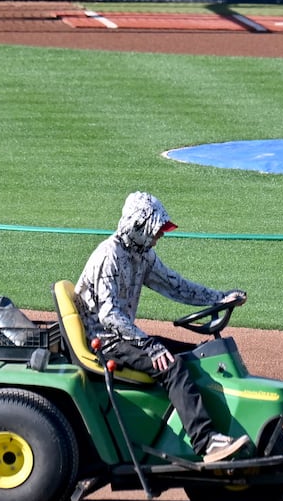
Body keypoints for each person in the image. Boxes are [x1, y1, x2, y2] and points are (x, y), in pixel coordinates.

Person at [74, 191, 251, 464]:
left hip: (127, 337)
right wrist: (148, 344)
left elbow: (176, 286)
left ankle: (213, 429)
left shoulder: (142, 256)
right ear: (138, 227)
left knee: (198, 355)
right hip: (106, 342)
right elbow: (109, 315)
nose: (161, 235)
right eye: (156, 230)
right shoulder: (108, 257)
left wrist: (219, 298)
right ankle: (206, 442)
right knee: (172, 366)